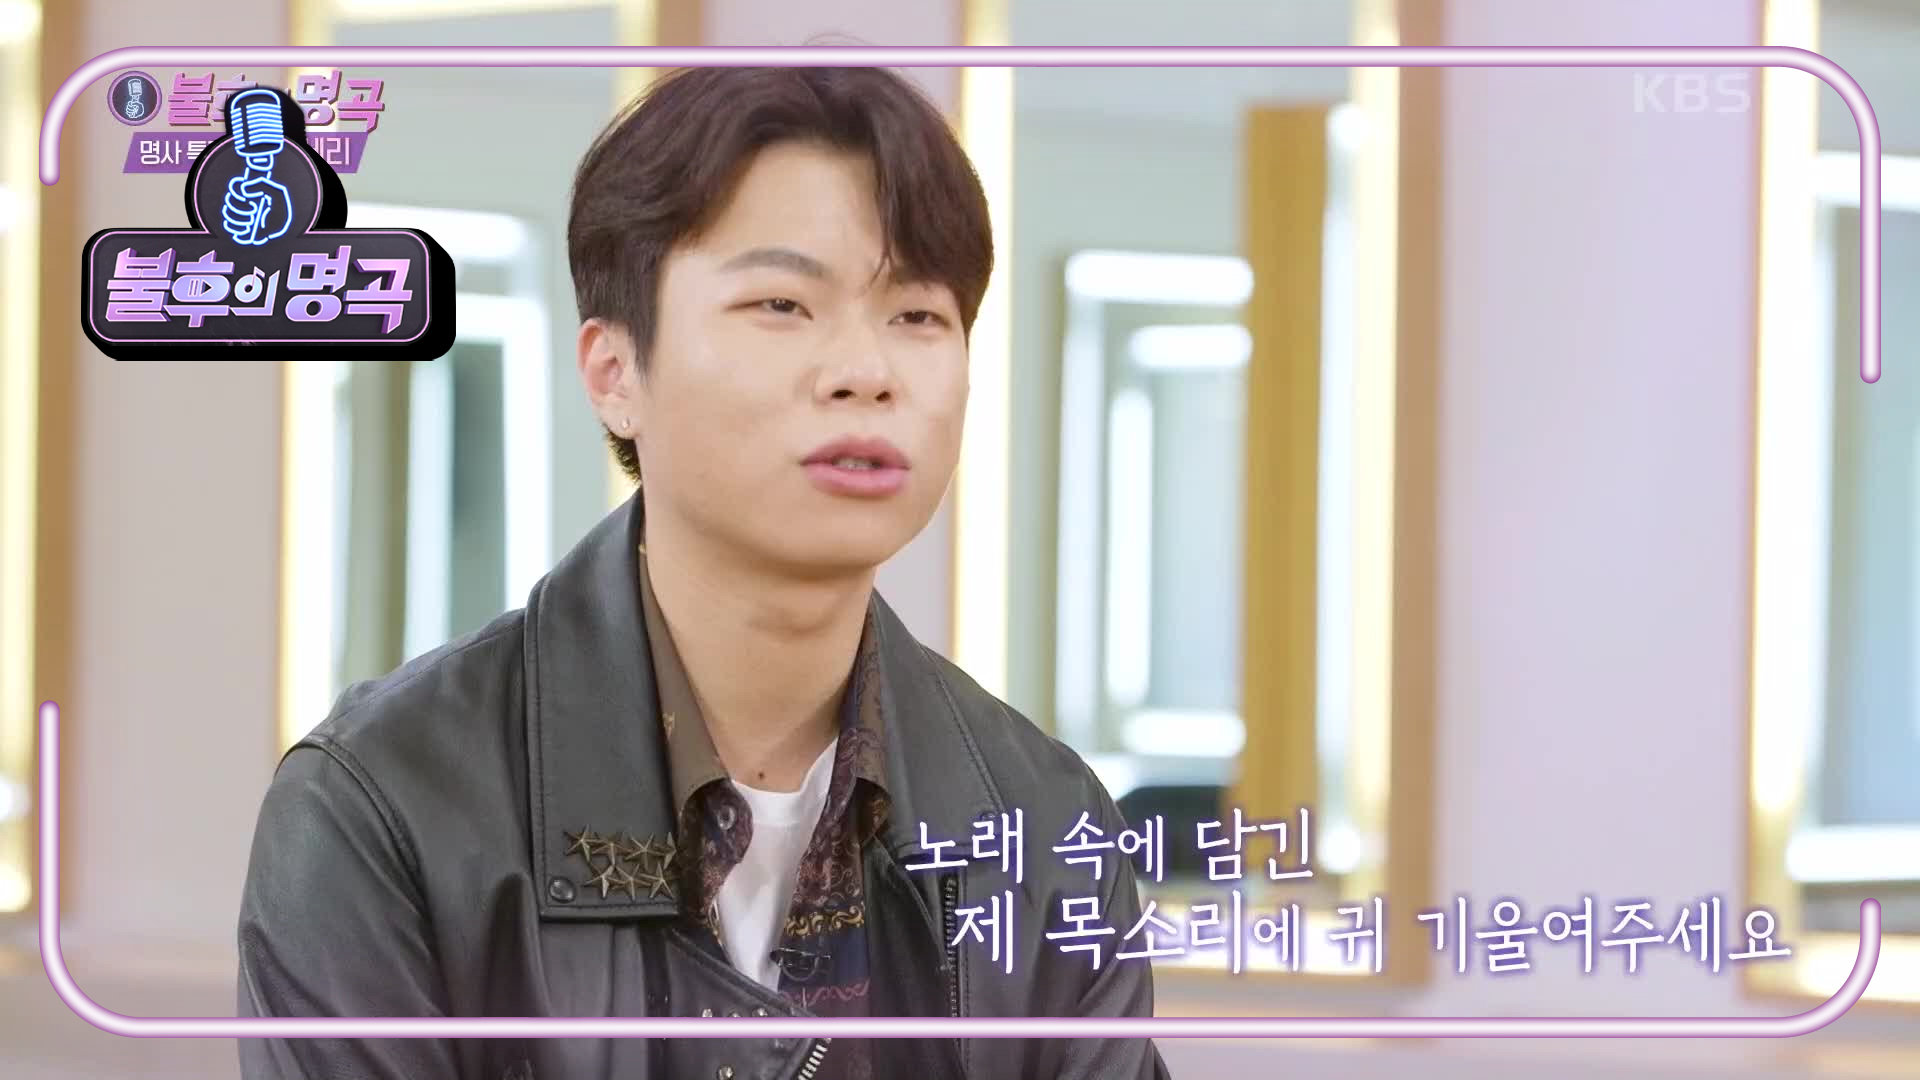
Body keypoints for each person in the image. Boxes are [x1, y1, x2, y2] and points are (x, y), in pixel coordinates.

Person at [236, 65, 1170, 1080]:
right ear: (615, 373)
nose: (866, 372)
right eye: (782, 303)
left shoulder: (1045, 824)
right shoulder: (383, 806)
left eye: (917, 316)